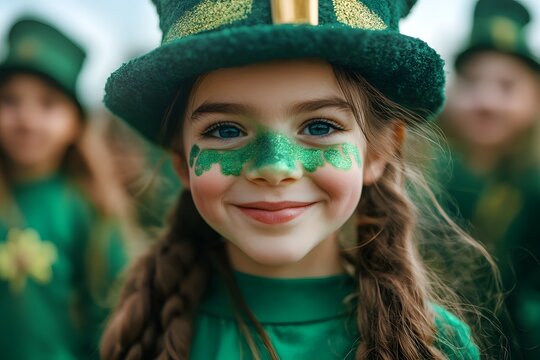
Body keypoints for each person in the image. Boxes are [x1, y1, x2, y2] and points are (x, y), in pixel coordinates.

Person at [100, 1, 493, 359]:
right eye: (225, 131)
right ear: (181, 160)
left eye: (320, 126)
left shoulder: (434, 346)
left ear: (378, 152)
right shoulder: (145, 330)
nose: (275, 168)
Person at [0, 17, 131, 359]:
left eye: (47, 103)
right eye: (10, 101)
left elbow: (109, 320)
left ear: (76, 123)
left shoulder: (88, 209)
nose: (26, 120)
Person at [437, 0, 540, 358]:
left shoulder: (534, 187)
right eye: (471, 82)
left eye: (507, 86)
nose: (486, 101)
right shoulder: (425, 174)